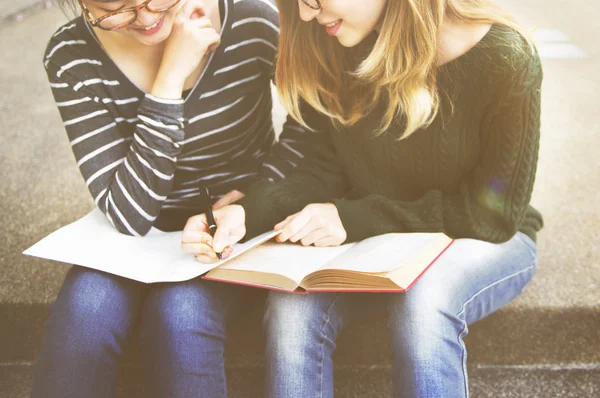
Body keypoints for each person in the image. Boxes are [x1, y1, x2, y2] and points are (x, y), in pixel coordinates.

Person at [182, 0, 544, 396]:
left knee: (423, 307)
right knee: (291, 308)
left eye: (313, 0)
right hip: (374, 241)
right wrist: (246, 212)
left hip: (479, 236)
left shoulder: (506, 58)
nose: (305, 15)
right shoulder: (334, 41)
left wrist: (353, 219)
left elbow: (492, 214)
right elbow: (323, 167)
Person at [31, 0, 316, 397]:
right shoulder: (71, 54)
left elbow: (313, 127)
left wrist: (261, 193)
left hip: (229, 235)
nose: (145, 19)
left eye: (154, 0)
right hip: (134, 237)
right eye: (114, 11)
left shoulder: (253, 20)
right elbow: (129, 214)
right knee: (85, 314)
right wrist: (168, 84)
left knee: (181, 314)